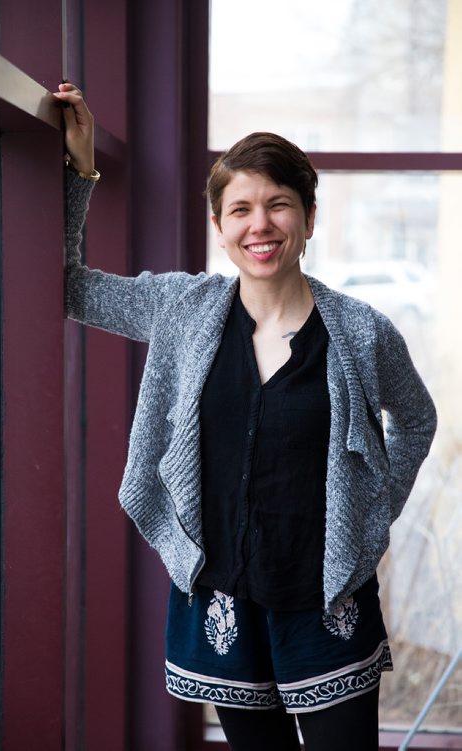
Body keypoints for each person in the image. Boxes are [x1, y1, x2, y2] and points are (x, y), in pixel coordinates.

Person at [54, 82, 437, 751]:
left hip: (327, 604)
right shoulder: (181, 308)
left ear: (309, 218)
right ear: (220, 226)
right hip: (221, 600)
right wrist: (81, 167)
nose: (259, 224)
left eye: (277, 204)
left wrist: (372, 516)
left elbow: (417, 419)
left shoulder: (361, 331)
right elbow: (71, 286)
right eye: (240, 209)